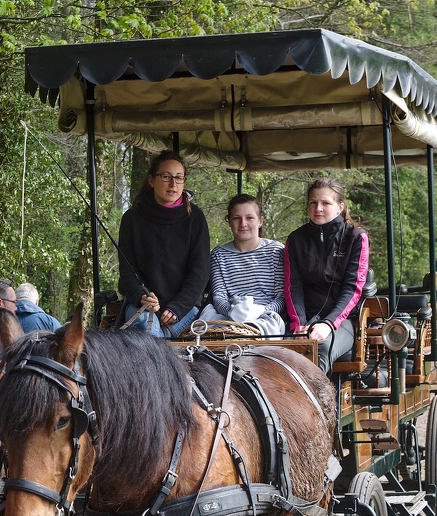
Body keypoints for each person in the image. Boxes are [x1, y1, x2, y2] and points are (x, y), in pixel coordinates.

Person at [117, 150, 210, 337]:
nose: (173, 184)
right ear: (152, 180)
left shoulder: (195, 218)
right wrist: (141, 296)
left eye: (179, 177)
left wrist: (177, 308)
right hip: (142, 307)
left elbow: (200, 272)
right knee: (147, 329)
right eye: (166, 176)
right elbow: (127, 272)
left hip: (184, 309)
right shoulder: (132, 218)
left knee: (153, 339)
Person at [284, 177, 369, 372]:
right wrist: (299, 324)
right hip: (304, 319)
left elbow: (353, 289)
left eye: (325, 203)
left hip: (342, 322)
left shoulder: (356, 238)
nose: (318, 208)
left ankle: (314, 402)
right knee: (279, 350)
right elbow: (292, 285)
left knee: (317, 347)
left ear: (340, 207)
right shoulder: (295, 239)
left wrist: (328, 324)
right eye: (313, 203)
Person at [202, 194, 286, 336]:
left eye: (249, 218)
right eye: (237, 218)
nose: (243, 224)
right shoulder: (219, 255)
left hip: (265, 317)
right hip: (228, 317)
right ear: (229, 221)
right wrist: (232, 313)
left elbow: (281, 296)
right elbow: (219, 296)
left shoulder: (276, 251)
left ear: (260, 221)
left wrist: (259, 311)